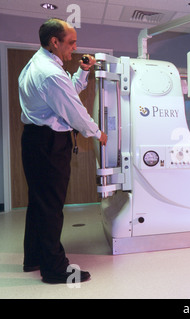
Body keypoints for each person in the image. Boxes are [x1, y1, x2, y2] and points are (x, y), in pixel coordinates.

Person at [19, 18, 107, 283]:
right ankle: (55, 269)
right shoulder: (50, 73)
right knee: (51, 208)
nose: (75, 48)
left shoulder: (40, 63)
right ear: (54, 42)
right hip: (48, 144)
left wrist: (83, 72)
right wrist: (98, 134)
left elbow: (67, 92)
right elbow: (74, 111)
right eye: (71, 43)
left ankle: (33, 258)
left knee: (39, 204)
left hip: (36, 141)